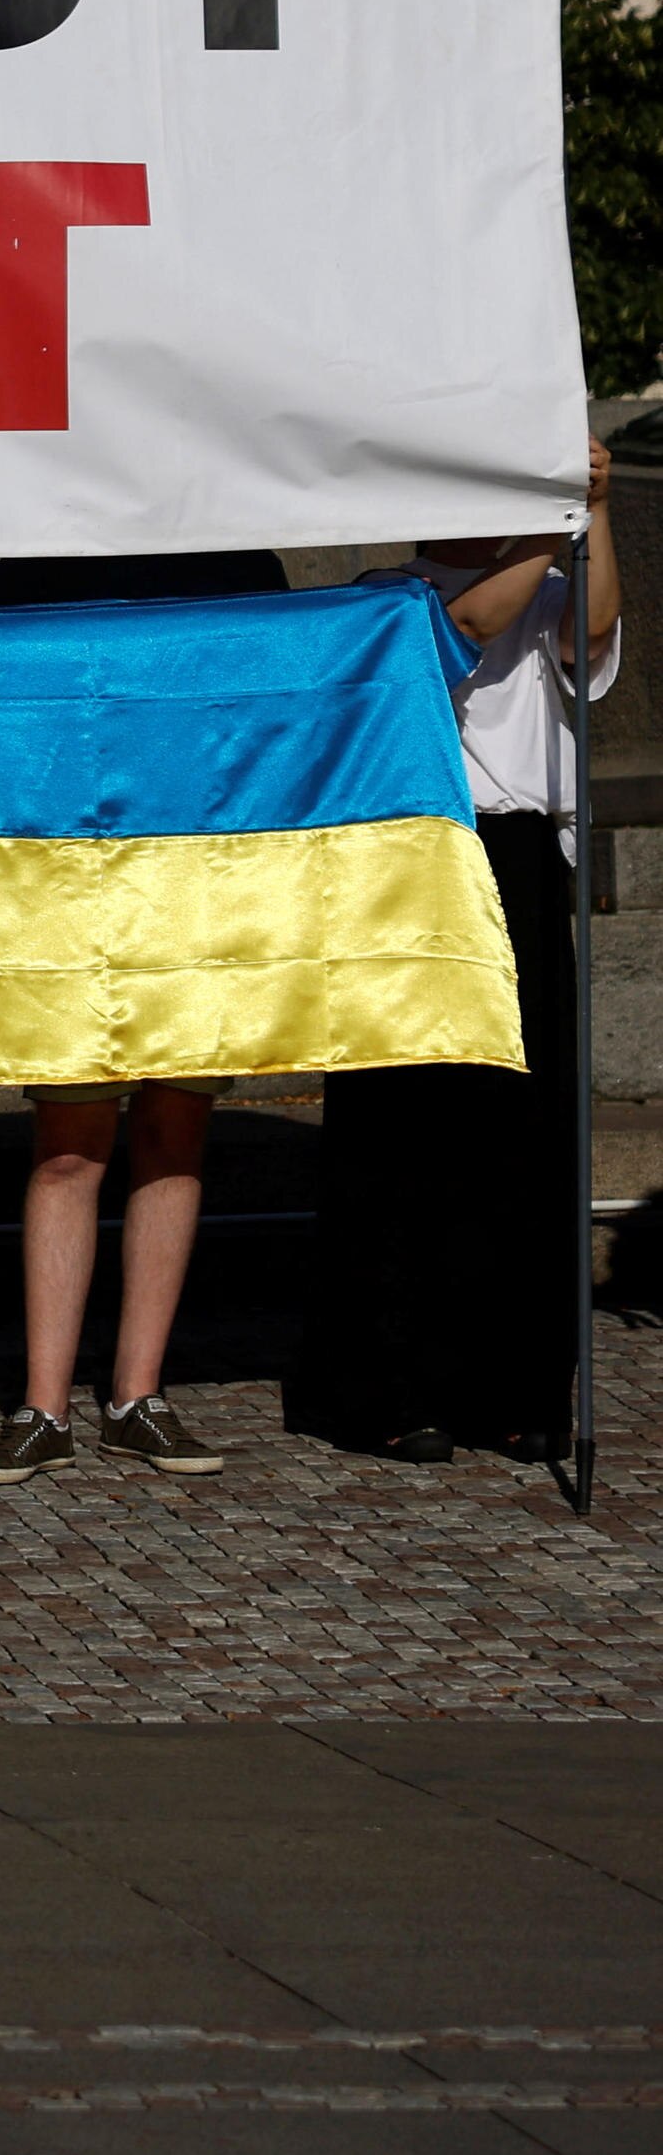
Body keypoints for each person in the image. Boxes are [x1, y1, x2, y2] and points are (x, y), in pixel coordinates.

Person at [301, 439, 623, 1463]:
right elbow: (470, 624)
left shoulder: (550, 573)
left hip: (521, 855)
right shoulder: (383, 591)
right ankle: (387, 1384)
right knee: (405, 1123)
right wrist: (549, 514)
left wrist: (595, 512)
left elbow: (593, 634)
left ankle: (517, 1388)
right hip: (414, 855)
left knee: (521, 1127)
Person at [0, 551, 291, 1486]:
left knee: (176, 1126)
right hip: (72, 878)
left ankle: (139, 1396)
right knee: (69, 1144)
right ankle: (44, 1406)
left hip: (196, 876)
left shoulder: (239, 552)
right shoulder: (52, 544)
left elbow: (284, 684)